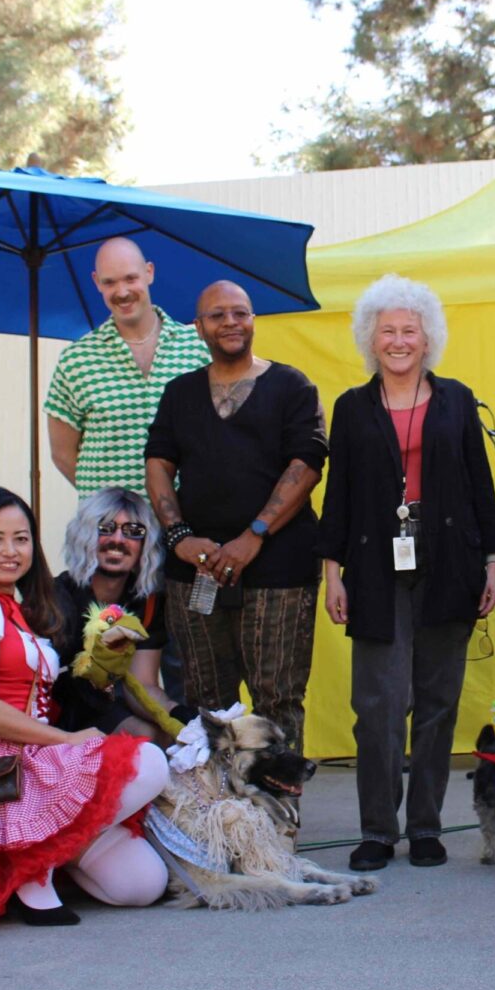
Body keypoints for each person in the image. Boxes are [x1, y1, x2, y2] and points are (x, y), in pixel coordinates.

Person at [0, 487, 169, 928]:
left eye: (21, 538)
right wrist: (68, 740)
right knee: (148, 759)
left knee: (142, 884)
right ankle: (33, 866)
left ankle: (53, 854)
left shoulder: (20, 611)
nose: (10, 551)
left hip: (30, 754)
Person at [318, 274, 495, 872]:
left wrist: (494, 562)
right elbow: (339, 496)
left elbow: (481, 486)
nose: (399, 341)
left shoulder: (457, 399)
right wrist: (332, 572)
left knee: (436, 702)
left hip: (450, 562)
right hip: (376, 567)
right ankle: (378, 829)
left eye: (410, 330)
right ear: (370, 342)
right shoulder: (351, 408)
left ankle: (425, 825)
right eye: (387, 331)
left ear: (428, 339)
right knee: (377, 705)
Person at [145, 279, 327, 750]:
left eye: (240, 312)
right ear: (198, 327)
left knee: (278, 697)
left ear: (252, 320)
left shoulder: (292, 386)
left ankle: (277, 819)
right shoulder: (179, 393)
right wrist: (180, 537)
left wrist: (255, 535)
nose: (231, 322)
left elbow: (306, 465)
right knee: (207, 701)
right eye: (218, 314)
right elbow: (158, 464)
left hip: (279, 572)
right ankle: (218, 821)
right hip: (196, 573)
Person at [45, 236, 211, 497]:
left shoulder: (199, 346)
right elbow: (62, 454)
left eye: (130, 278)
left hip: (188, 524)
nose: (122, 292)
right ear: (96, 282)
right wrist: (110, 505)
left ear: (149, 273)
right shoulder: (75, 360)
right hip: (111, 532)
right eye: (110, 282)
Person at [50, 487, 194, 743]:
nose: (118, 539)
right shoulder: (53, 597)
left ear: (145, 544)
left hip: (104, 704)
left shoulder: (146, 603)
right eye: (105, 528)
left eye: (133, 532)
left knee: (168, 736)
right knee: (145, 737)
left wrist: (178, 714)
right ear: (84, 535)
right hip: (55, 712)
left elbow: (143, 685)